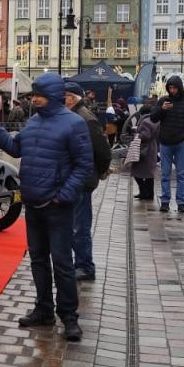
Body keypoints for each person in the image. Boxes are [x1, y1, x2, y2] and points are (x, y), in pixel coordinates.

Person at [0, 73, 93, 342]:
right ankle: (44, 309)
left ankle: (69, 317)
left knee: (62, 263)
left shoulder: (74, 123)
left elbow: (83, 166)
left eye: (39, 95)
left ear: (52, 95)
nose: (34, 99)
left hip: (57, 206)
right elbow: (16, 148)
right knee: (38, 260)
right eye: (34, 95)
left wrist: (63, 195)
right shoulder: (33, 121)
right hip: (33, 203)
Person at [63, 82, 112, 283]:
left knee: (79, 225)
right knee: (74, 224)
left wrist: (101, 171)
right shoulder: (73, 115)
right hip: (74, 177)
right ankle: (79, 263)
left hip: (82, 179)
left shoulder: (84, 118)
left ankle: (85, 266)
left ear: (73, 98)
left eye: (64, 96)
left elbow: (102, 150)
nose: (61, 99)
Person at [150, 75, 184, 213]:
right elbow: (153, 118)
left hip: (181, 143)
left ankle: (181, 202)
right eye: (170, 88)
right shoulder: (163, 101)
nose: (172, 90)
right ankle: (165, 201)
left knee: (181, 174)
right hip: (166, 142)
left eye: (174, 88)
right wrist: (162, 109)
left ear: (179, 88)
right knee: (165, 174)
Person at [128, 103, 160, 201]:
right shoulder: (155, 120)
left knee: (137, 172)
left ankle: (144, 192)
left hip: (144, 149)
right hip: (152, 148)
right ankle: (149, 194)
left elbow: (145, 135)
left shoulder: (146, 121)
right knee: (149, 174)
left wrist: (136, 134)